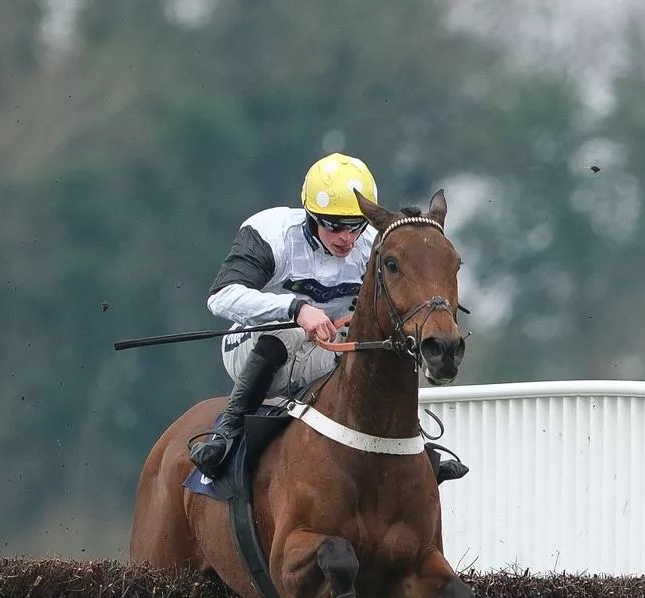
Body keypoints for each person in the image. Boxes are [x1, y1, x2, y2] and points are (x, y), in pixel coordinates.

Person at [187, 152, 470, 484]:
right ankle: (226, 432)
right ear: (311, 216)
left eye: (355, 226)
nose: (346, 238)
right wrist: (296, 310)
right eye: (334, 226)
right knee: (288, 334)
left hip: (327, 349)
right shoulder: (273, 233)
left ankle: (414, 444)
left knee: (386, 339)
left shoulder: (373, 246)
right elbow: (221, 297)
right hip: (252, 346)